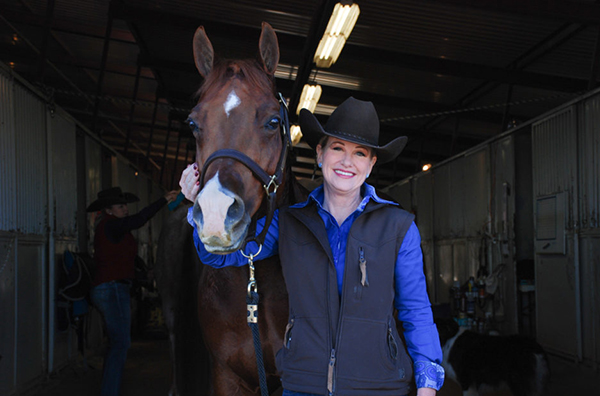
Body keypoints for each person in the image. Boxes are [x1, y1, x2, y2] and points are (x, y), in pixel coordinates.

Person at [180, 97, 444, 396]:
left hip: (378, 386)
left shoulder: (399, 227)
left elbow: (416, 311)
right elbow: (222, 260)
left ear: (371, 165)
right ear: (319, 154)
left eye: (359, 153)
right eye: (337, 148)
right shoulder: (290, 222)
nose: (347, 162)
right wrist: (198, 210)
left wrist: (427, 385)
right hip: (304, 386)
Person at [86, 187, 178, 396]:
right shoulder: (112, 226)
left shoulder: (112, 229)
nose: (125, 209)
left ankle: (109, 390)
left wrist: (143, 275)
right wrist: (162, 200)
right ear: (109, 210)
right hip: (111, 289)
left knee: (117, 344)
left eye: (125, 205)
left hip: (111, 288)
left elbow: (120, 262)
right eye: (120, 206)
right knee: (120, 344)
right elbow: (139, 220)